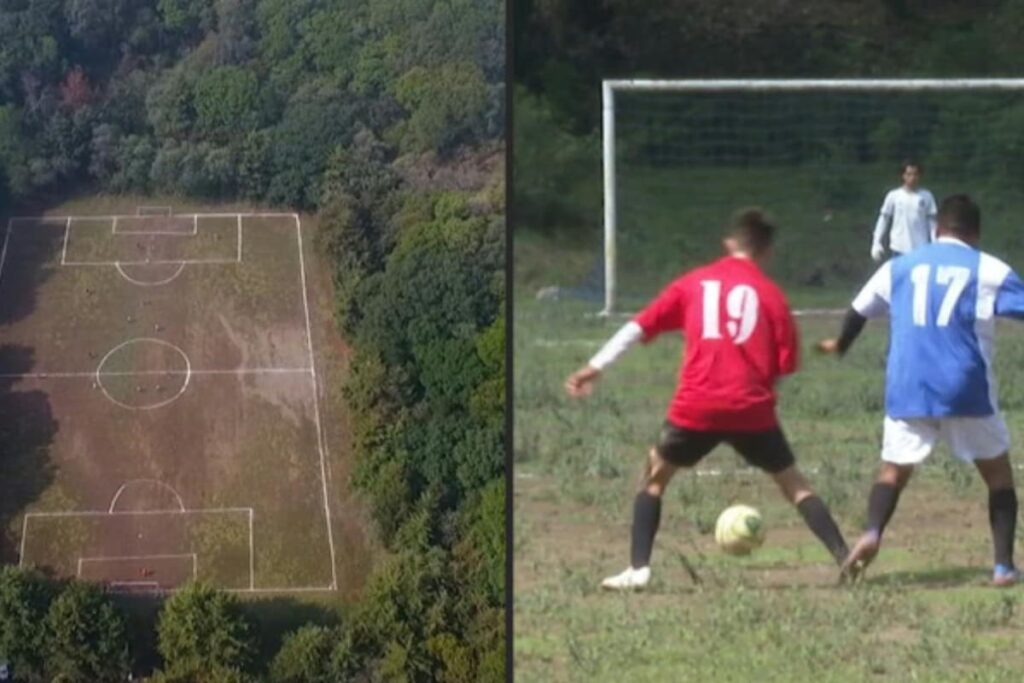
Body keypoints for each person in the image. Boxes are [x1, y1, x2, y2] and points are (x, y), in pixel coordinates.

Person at [565, 209, 851, 590]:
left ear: (730, 243)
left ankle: (639, 569)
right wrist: (757, 402)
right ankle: (845, 557)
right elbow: (784, 365)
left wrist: (595, 366)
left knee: (653, 478)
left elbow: (640, 325)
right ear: (766, 252)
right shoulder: (773, 297)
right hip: (752, 410)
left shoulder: (695, 283)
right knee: (796, 486)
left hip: (696, 407)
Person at [819, 194, 1021, 586]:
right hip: (965, 387)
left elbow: (858, 310)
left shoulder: (898, 267)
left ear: (936, 229)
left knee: (893, 471)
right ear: (975, 233)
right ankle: (1003, 567)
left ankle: (873, 532)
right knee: (998, 477)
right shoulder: (989, 269)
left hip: (909, 386)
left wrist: (841, 345)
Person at [870, 160, 938, 262]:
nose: (912, 178)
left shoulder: (926, 196)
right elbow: (884, 219)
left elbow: (932, 224)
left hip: (920, 248)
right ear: (903, 176)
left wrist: (935, 244)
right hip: (899, 247)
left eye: (915, 174)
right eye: (909, 174)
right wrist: (876, 242)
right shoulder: (894, 195)